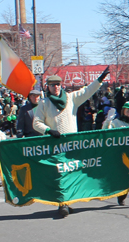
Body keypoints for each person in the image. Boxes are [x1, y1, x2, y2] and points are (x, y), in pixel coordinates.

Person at [33, 67, 109, 217]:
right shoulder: (44, 103)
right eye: (53, 85)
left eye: (58, 84)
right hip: (55, 144)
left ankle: (68, 201)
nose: (56, 87)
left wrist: (100, 79)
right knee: (60, 174)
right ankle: (63, 204)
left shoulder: (71, 98)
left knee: (71, 174)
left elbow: (87, 91)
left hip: (72, 144)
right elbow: (36, 123)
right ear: (47, 87)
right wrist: (48, 130)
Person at [102, 100, 129, 208]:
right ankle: (122, 196)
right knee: (124, 177)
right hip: (122, 155)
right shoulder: (117, 122)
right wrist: (108, 121)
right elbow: (106, 133)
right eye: (128, 111)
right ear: (123, 111)